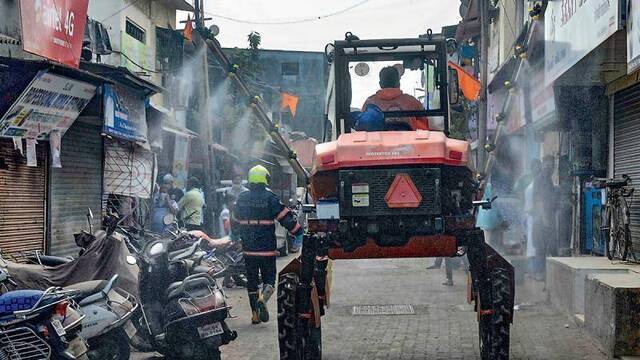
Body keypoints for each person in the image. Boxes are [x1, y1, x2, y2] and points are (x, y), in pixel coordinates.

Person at [232, 165, 303, 324]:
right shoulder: (270, 198)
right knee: (269, 278)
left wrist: (234, 236)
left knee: (251, 281)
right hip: (267, 249)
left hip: (248, 249)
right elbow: (285, 218)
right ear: (265, 178)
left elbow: (235, 220)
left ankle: (255, 315)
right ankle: (263, 299)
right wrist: (298, 231)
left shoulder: (242, 198)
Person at [362, 66, 429, 131]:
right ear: (398, 83)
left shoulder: (370, 103)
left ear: (380, 84)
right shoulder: (412, 101)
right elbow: (424, 125)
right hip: (408, 141)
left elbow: (362, 126)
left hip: (376, 141)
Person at [531, 155, 557, 280]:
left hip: (547, 216)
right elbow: (539, 200)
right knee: (542, 247)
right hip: (542, 218)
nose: (549, 168)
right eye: (547, 165)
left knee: (546, 246)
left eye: (551, 166)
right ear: (543, 165)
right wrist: (544, 217)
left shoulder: (548, 179)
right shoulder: (540, 179)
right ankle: (540, 274)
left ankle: (544, 274)